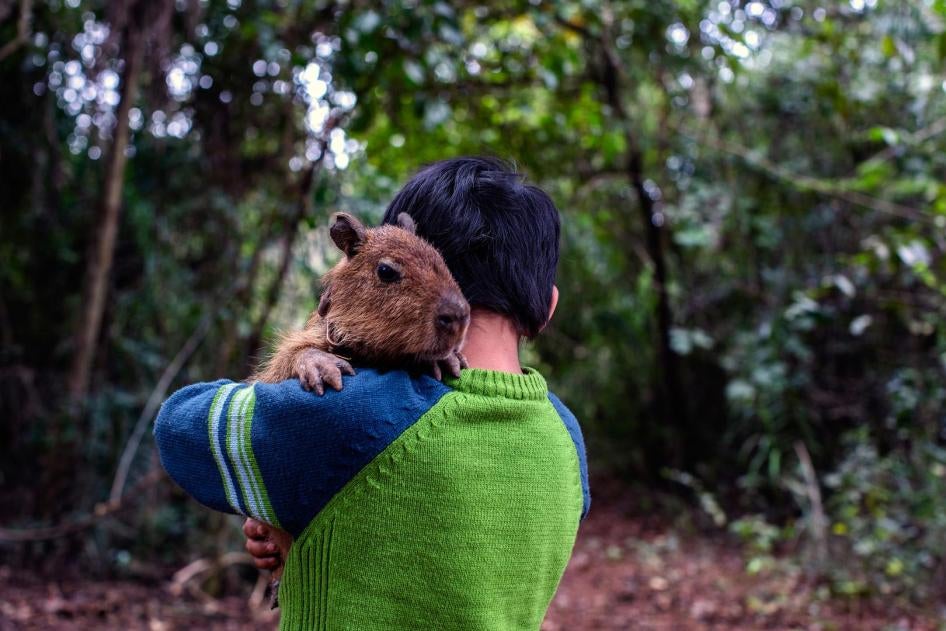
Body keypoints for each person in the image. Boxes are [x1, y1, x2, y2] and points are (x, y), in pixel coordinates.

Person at [154, 156, 589, 630]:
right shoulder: (567, 441)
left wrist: (283, 482)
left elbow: (179, 426)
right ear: (547, 308)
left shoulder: (355, 418)